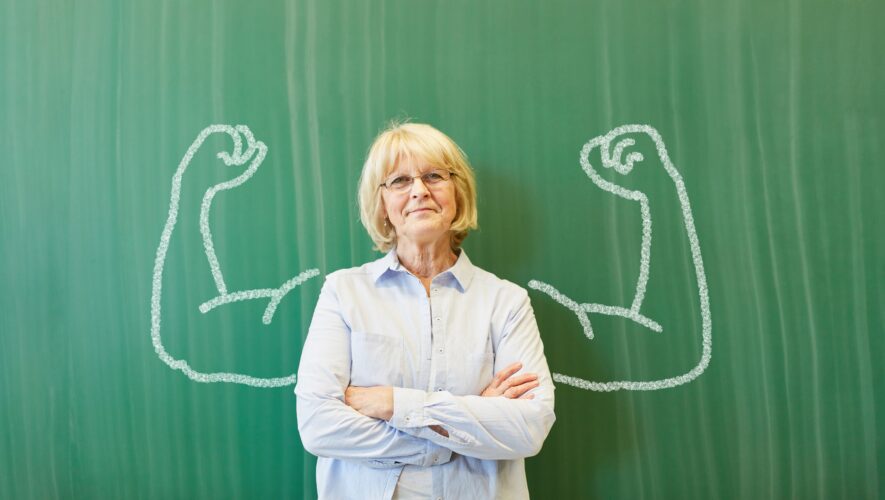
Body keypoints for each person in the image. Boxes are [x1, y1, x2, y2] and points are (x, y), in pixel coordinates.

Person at [295, 122, 555, 499]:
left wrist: (395, 404)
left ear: (457, 193)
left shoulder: (506, 302)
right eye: (400, 180)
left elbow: (529, 428)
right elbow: (319, 426)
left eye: (434, 176)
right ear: (382, 204)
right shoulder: (343, 292)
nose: (419, 190)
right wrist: (464, 426)